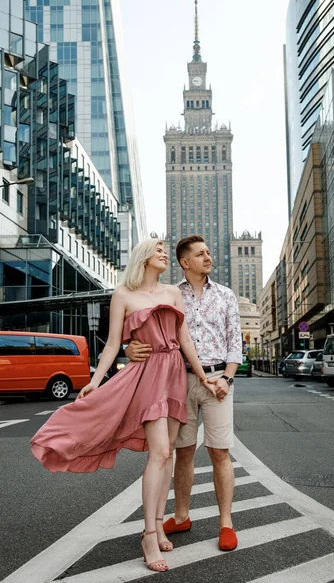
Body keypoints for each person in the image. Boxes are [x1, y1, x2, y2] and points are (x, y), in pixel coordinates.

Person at [31, 238, 214, 573]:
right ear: (144, 257)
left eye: (165, 251)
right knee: (159, 452)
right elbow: (114, 343)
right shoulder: (123, 295)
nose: (164, 254)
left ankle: (158, 524)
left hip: (173, 371)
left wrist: (202, 376)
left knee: (168, 451)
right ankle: (147, 534)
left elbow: (184, 339)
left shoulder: (173, 294)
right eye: (158, 250)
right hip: (145, 375)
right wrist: (94, 381)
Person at [125, 235, 242, 551]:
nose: (208, 257)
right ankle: (181, 516)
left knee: (219, 451)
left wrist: (227, 380)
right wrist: (129, 346)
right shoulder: (171, 294)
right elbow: (145, 326)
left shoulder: (227, 296)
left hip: (218, 381)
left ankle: (226, 524)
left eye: (209, 252)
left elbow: (235, 343)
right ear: (184, 262)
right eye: (201, 254)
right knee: (182, 451)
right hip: (178, 380)